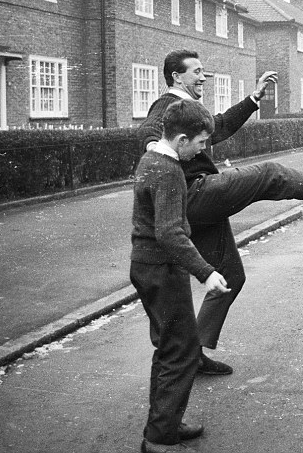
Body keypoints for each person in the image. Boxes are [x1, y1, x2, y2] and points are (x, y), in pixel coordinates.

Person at [138, 49, 303, 375]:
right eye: (197, 71)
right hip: (194, 195)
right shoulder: (167, 105)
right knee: (271, 175)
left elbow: (218, 126)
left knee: (231, 276)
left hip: (203, 202)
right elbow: (148, 129)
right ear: (176, 76)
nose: (203, 76)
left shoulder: (189, 109)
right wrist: (156, 150)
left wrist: (253, 98)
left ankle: (193, 354)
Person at [129, 99, 230, 452]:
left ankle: (167, 422)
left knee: (171, 346)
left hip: (146, 266)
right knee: (181, 350)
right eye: (201, 142)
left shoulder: (150, 158)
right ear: (183, 139)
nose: (203, 149)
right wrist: (206, 272)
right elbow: (170, 233)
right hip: (162, 269)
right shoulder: (169, 170)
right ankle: (158, 438)